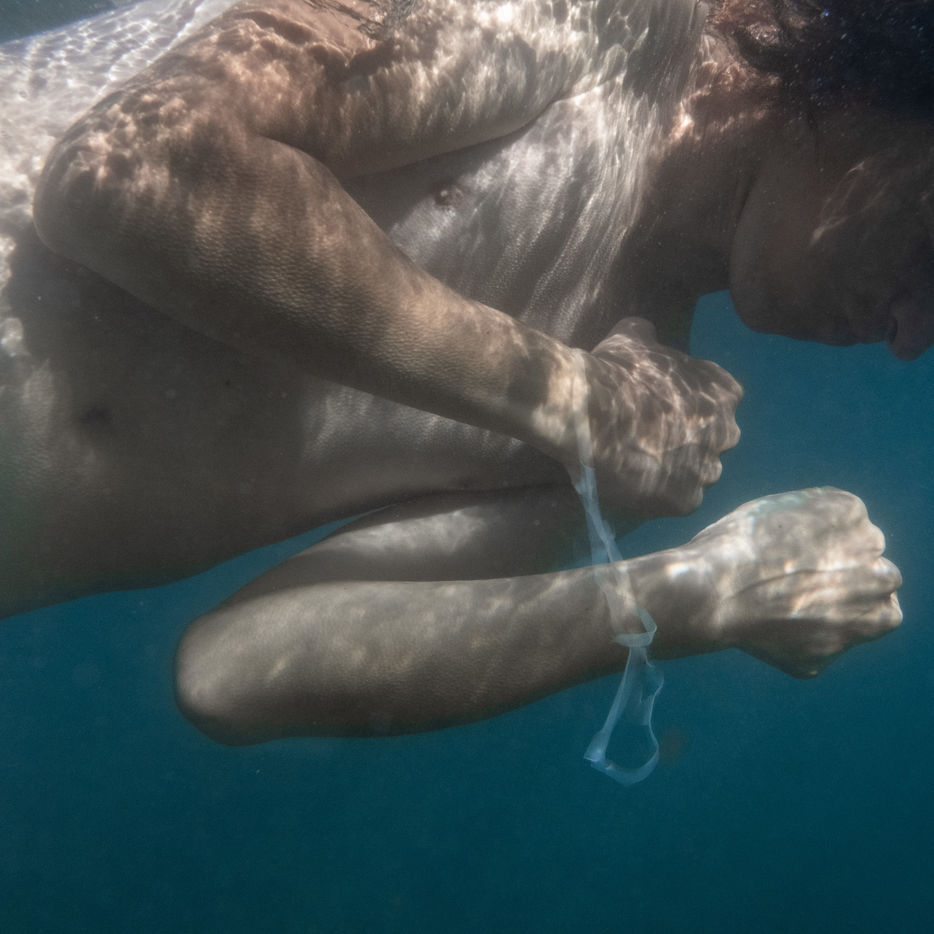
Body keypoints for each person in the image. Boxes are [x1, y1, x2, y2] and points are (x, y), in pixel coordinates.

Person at [4, 0, 924, 743]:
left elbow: (238, 668)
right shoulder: (605, 20)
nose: (912, 337)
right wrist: (568, 396)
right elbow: (135, 168)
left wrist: (699, 591)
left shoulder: (651, 416)